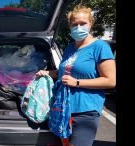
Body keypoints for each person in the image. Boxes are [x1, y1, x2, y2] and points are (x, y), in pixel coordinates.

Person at [36, 5, 116, 146]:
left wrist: (77, 82)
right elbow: (64, 72)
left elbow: (110, 81)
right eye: (75, 24)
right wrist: (47, 73)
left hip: (85, 111)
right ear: (70, 26)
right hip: (62, 109)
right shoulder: (70, 47)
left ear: (91, 23)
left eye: (83, 23)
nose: (78, 27)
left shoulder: (100, 47)